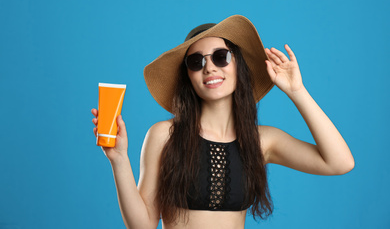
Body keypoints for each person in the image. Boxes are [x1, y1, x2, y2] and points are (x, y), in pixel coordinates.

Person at [91, 15, 354, 229]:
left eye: (221, 57)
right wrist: (119, 160)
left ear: (238, 65)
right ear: (188, 77)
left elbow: (339, 162)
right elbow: (142, 226)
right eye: (196, 62)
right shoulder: (164, 135)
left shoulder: (262, 140)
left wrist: (297, 92)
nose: (209, 68)